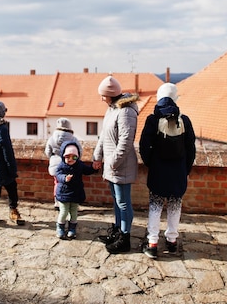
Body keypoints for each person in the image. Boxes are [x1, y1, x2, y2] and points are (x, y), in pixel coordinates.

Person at [138, 83, 196, 258]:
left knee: (155, 206)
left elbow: (143, 146)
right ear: (175, 98)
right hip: (177, 171)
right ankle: (171, 240)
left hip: (158, 170)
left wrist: (150, 163)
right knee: (174, 206)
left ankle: (152, 242)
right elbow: (190, 148)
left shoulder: (152, 120)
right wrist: (185, 169)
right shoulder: (184, 120)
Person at [92, 74, 139, 254]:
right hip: (112, 165)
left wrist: (112, 162)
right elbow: (104, 135)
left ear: (110, 94)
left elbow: (126, 141)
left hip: (121, 165)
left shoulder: (126, 111)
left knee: (123, 202)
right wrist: (98, 156)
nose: (101, 98)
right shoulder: (112, 108)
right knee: (116, 201)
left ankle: (125, 238)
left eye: (102, 94)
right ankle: (118, 231)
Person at [54, 141, 97, 239]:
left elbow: (87, 170)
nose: (70, 159)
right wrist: (65, 178)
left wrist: (93, 168)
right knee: (64, 211)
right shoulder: (61, 166)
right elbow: (58, 175)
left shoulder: (79, 165)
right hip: (64, 193)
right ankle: (60, 227)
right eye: (67, 157)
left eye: (74, 157)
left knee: (74, 212)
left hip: (75, 192)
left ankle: (72, 228)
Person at [45, 118, 82, 209]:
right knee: (71, 184)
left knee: (57, 183)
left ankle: (57, 202)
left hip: (55, 163)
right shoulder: (73, 139)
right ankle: (71, 202)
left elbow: (47, 151)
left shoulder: (52, 138)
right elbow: (79, 152)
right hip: (70, 164)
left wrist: (52, 158)